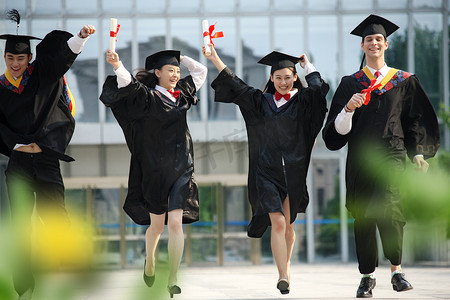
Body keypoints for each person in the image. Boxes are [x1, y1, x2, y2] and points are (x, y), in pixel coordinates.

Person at [322, 14, 440, 298]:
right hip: (361, 159)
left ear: (386, 44)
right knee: (363, 216)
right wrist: (348, 109)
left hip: (393, 156)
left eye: (378, 39)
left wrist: (418, 154)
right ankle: (367, 277)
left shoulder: (403, 81)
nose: (374, 43)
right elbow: (336, 132)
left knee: (392, 211)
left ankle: (397, 271)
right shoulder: (351, 83)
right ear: (362, 46)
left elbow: (414, 119)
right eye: (368, 40)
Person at [203, 45, 328, 294]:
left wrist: (308, 66)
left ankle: (286, 263)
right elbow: (236, 85)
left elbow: (319, 91)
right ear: (271, 78)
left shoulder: (303, 101)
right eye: (278, 77)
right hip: (266, 172)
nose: (283, 82)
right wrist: (214, 57)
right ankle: (283, 275)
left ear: (294, 78)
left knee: (289, 226)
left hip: (293, 172)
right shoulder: (262, 102)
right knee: (279, 223)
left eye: (288, 77)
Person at [0, 9, 95, 300]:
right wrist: (16, 145)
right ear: (5, 59)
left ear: (29, 58)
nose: (16, 64)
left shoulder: (42, 75)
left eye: (21, 58)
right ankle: (24, 287)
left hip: (46, 160)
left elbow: (59, 60)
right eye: (10, 58)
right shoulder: (0, 88)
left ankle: (62, 278)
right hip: (18, 163)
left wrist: (79, 39)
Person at [100, 49, 206, 298]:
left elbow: (201, 72)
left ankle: (173, 277)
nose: (175, 74)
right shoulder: (146, 98)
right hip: (154, 170)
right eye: (170, 70)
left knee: (177, 223)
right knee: (157, 227)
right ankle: (150, 261)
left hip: (182, 167)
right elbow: (126, 82)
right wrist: (117, 65)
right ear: (157, 73)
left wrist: (183, 60)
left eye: (177, 71)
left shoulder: (182, 95)